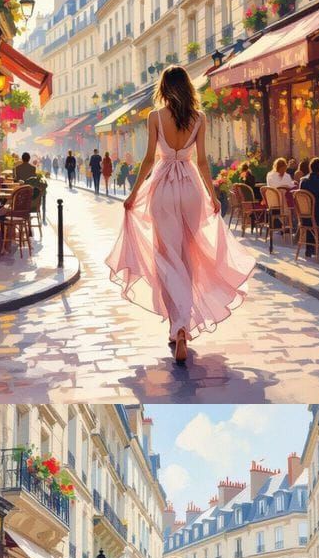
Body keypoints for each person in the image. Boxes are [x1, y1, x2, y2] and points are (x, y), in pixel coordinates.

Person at [106, 65, 255, 365]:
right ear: (188, 87)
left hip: (162, 188)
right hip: (191, 189)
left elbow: (149, 159)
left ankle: (179, 328)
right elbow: (202, 162)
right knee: (188, 259)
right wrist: (213, 197)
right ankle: (181, 327)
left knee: (166, 257)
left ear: (163, 87)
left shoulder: (155, 117)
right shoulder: (199, 118)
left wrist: (133, 194)